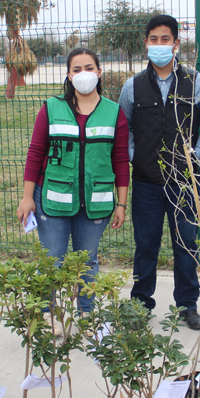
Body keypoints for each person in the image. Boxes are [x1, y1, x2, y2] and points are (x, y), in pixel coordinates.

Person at [118, 14, 200, 329]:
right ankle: (140, 304)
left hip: (185, 182)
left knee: (186, 244)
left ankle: (187, 305)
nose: (159, 45)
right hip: (147, 183)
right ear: (146, 43)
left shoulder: (197, 83)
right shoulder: (132, 87)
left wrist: (195, 158)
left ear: (176, 43)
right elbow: (124, 129)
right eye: (154, 39)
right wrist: (136, 158)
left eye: (165, 39)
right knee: (146, 245)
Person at [17, 48, 130, 312]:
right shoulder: (51, 108)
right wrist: (27, 197)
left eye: (89, 68)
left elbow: (121, 160)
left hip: (95, 202)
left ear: (99, 72)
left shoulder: (114, 112)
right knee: (52, 261)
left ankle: (88, 315)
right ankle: (47, 316)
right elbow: (35, 153)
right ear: (68, 75)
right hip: (52, 200)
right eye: (76, 69)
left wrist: (122, 204)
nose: (83, 74)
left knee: (87, 262)